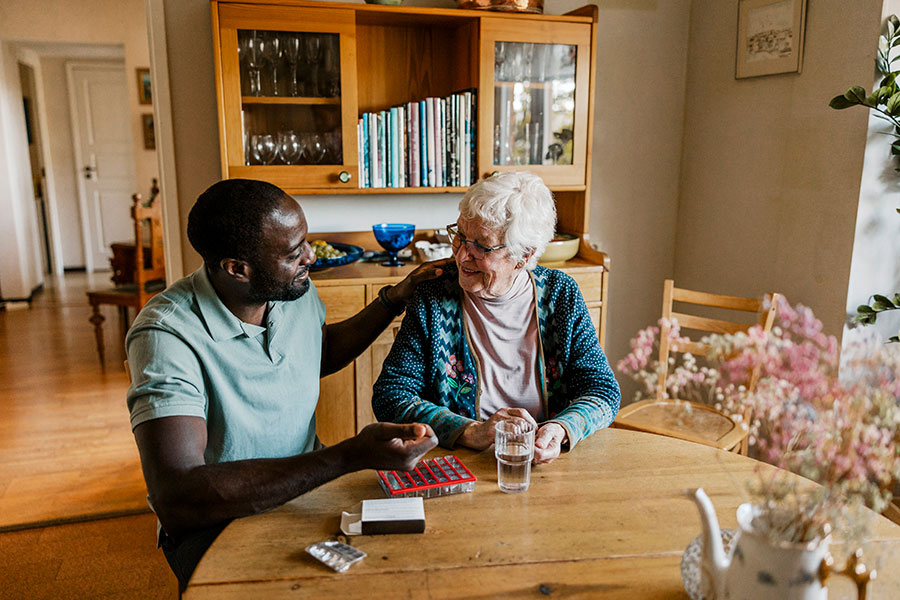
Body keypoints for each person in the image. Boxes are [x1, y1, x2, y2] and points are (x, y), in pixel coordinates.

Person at [126, 179, 447, 589]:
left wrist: (393, 299)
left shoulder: (288, 288)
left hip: (309, 488)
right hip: (216, 520)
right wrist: (346, 457)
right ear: (237, 268)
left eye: (306, 243)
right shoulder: (166, 335)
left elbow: (319, 350)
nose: (310, 257)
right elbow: (179, 496)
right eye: (295, 253)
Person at [373, 171, 620, 464]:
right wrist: (469, 431)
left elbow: (602, 391)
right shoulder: (433, 297)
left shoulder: (560, 295)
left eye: (481, 246)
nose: (462, 256)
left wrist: (560, 429)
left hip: (541, 466)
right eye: (461, 237)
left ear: (524, 256)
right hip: (458, 465)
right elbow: (391, 395)